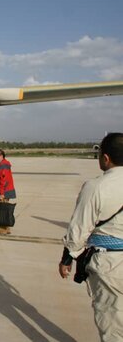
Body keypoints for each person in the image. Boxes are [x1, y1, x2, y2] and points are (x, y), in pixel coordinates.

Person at [58, 133, 123, 342]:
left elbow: (79, 228)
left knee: (112, 322)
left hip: (110, 265)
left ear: (105, 158)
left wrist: (67, 258)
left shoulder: (95, 187)